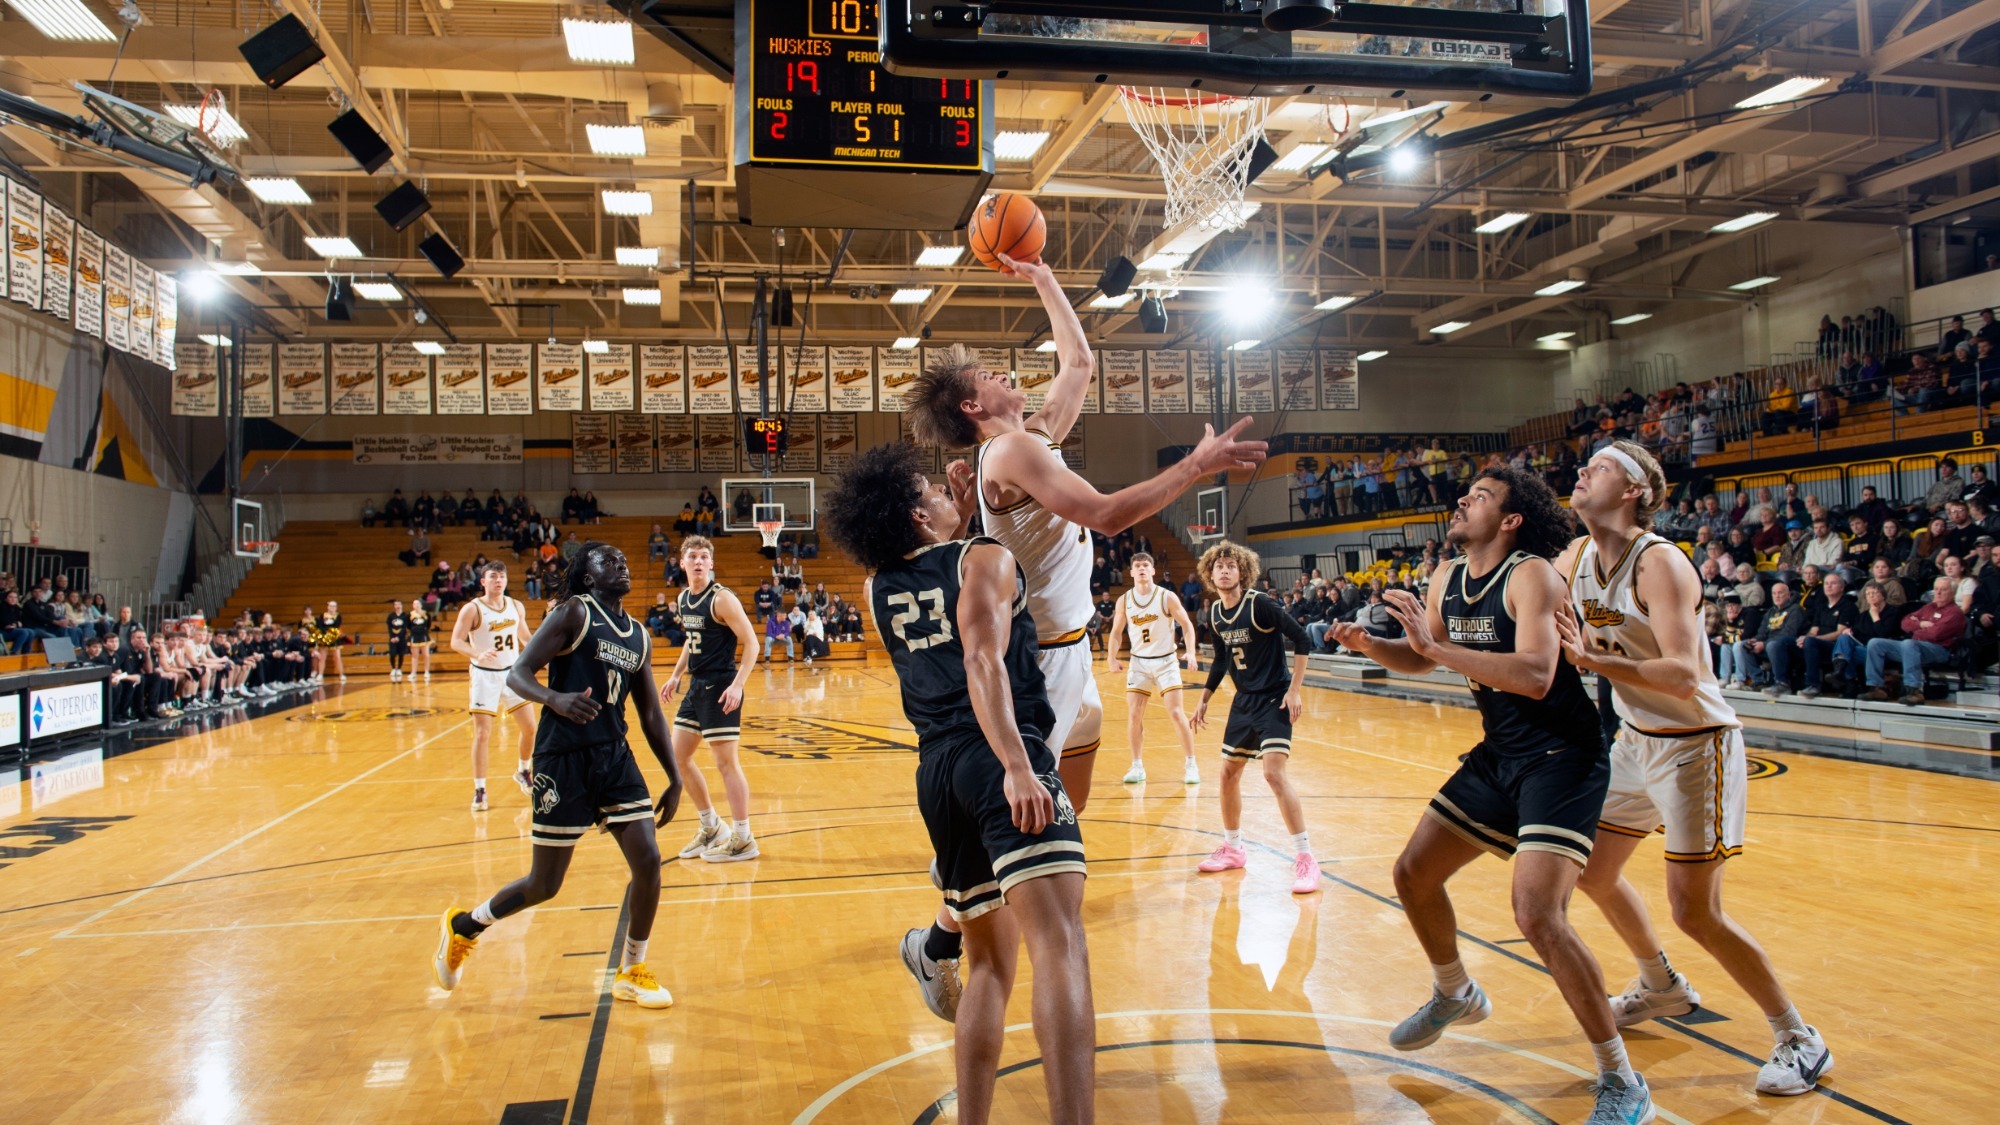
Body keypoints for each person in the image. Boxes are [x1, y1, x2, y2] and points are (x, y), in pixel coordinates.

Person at [899, 250, 1266, 1000]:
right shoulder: (1010, 449)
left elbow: (1080, 361)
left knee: (1076, 797)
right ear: (974, 406)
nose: (1009, 375)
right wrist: (1195, 466)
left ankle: (943, 922)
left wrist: (1038, 272)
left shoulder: (1028, 439)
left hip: (1074, 664)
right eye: (992, 376)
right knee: (1039, 838)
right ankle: (953, 925)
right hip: (1036, 666)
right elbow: (1103, 513)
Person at [1331, 466, 1654, 1123]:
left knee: (1537, 913)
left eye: (1479, 497)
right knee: (1412, 873)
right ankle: (1455, 992)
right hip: (1502, 753)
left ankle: (1623, 1080)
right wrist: (1379, 647)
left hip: (1563, 757)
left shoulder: (1534, 574)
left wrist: (1433, 649)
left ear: (1509, 520)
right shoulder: (1448, 577)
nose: (1461, 501)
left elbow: (1537, 675)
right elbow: (1426, 655)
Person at [821, 443, 1094, 1119]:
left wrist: (964, 514)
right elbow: (980, 658)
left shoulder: (877, 586)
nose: (950, 498)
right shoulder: (987, 560)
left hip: (936, 771)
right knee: (1059, 945)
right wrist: (1018, 765)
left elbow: (941, 588)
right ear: (918, 512)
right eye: (934, 494)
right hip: (997, 752)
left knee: (989, 968)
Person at [1554, 440, 1834, 1097]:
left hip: (1695, 742)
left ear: (1632, 491)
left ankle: (1800, 1038)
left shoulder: (1661, 565)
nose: (1580, 473)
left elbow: (1681, 675)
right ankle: (1661, 985)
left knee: (1696, 911)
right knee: (1592, 868)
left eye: (1596, 467)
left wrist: (1592, 663)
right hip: (1637, 737)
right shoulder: (1581, 558)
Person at [432, 543, 682, 1011]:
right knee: (545, 884)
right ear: (587, 577)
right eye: (608, 559)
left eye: (623, 558)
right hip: (562, 757)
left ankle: (632, 969)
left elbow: (650, 712)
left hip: (614, 757)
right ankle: (465, 926)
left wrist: (675, 774)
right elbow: (518, 674)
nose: (621, 562)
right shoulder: (574, 612)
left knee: (648, 860)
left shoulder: (639, 636)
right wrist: (554, 699)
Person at [1188, 540, 1318, 895]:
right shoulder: (1215, 613)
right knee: (1227, 773)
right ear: (1210, 575)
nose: (1225, 570)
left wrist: (1294, 689)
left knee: (1273, 773)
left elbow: (1302, 639)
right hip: (1243, 702)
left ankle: (1306, 859)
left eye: (1231, 565)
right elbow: (1221, 660)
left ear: (1242, 572)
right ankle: (1233, 848)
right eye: (1219, 566)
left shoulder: (1259, 604)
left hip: (1274, 698)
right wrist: (1204, 700)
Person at [660, 536, 762, 863]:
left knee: (725, 764)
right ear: (683, 562)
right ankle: (711, 827)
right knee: (677, 757)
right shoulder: (685, 598)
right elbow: (692, 641)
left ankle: (743, 838)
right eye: (693, 556)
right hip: (695, 686)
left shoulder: (722, 599)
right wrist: (676, 674)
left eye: (705, 556)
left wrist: (738, 685)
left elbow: (752, 644)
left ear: (712, 563)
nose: (699, 561)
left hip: (721, 686)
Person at [1104, 552, 1202, 787]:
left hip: (1166, 661)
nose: (1141, 569)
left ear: (1153, 570)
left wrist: (1190, 651)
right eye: (1137, 565)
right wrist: (1111, 657)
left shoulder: (1166, 597)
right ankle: (1137, 766)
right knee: (1134, 714)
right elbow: (1116, 632)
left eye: (1146, 565)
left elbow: (1187, 626)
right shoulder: (1124, 600)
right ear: (1131, 572)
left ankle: (1191, 764)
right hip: (1138, 662)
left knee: (1176, 713)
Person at [449, 564, 537, 813]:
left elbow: (526, 639)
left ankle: (523, 770)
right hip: (484, 676)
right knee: (482, 734)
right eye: (493, 577)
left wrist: (546, 654)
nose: (499, 580)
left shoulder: (515, 606)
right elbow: (456, 641)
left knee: (530, 728)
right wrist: (477, 653)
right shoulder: (472, 609)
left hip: (512, 673)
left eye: (502, 576)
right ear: (483, 582)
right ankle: (480, 790)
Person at [1862, 576, 1966, 704]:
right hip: (1914, 646)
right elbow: (1905, 623)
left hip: (1939, 650)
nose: (1938, 593)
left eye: (1943, 590)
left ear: (1953, 592)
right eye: (1936, 589)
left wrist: (1916, 630)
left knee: (1909, 643)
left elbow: (1936, 634)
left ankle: (1914, 690)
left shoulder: (1954, 612)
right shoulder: (1929, 607)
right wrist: (1921, 624)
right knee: (1875, 643)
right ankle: (1875, 688)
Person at [385, 600, 411, 683]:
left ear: (402, 605)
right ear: (394, 606)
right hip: (392, 638)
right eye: (396, 604)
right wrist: (392, 637)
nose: (397, 606)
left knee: (401, 654)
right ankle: (393, 668)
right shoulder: (391, 616)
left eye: (399, 604)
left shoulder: (405, 616)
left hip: (402, 638)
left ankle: (399, 668)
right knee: (392, 654)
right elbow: (389, 628)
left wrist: (399, 638)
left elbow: (404, 628)